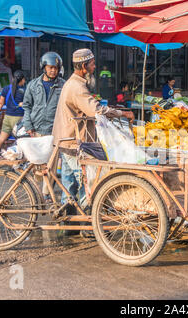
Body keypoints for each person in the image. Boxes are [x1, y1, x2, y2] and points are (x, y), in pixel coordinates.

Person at [52, 48, 134, 235]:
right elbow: (96, 110)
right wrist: (122, 113)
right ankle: (87, 225)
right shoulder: (77, 87)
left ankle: (71, 226)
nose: (95, 67)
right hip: (73, 141)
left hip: (68, 140)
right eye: (92, 64)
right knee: (85, 183)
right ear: (83, 66)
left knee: (69, 183)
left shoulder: (75, 83)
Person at [22, 51, 65, 200]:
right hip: (36, 130)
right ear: (44, 67)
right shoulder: (33, 85)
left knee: (51, 165)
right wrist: (28, 124)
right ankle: (37, 190)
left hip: (54, 131)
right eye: (50, 67)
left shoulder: (63, 85)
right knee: (37, 164)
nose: (53, 70)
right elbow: (26, 106)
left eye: (56, 68)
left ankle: (46, 194)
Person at [0, 70, 27, 157]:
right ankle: (17, 164)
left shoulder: (6, 89)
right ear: (22, 80)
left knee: (1, 139)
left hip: (7, 118)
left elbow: (0, 103)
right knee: (21, 141)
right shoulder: (24, 90)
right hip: (19, 119)